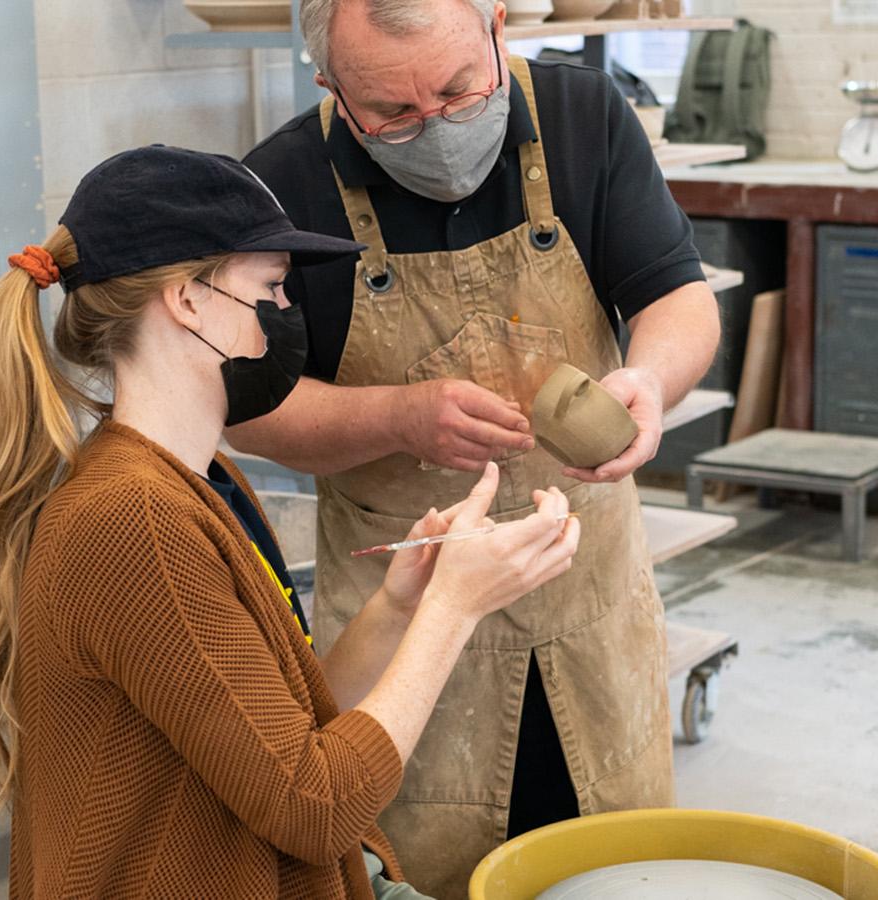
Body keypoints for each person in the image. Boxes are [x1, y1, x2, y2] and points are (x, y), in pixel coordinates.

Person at [0, 146, 580, 899]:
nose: (285, 315)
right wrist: (456, 610)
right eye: (272, 288)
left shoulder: (199, 480)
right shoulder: (131, 522)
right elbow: (316, 808)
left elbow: (289, 735)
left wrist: (400, 605)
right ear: (186, 299)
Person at [237, 0, 723, 894]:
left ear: (498, 23)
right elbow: (247, 413)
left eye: (461, 91)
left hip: (587, 596)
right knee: (418, 873)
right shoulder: (280, 185)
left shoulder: (582, 119)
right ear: (331, 85)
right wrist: (395, 417)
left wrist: (650, 380)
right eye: (393, 113)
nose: (438, 130)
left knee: (613, 868)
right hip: (410, 627)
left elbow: (678, 297)